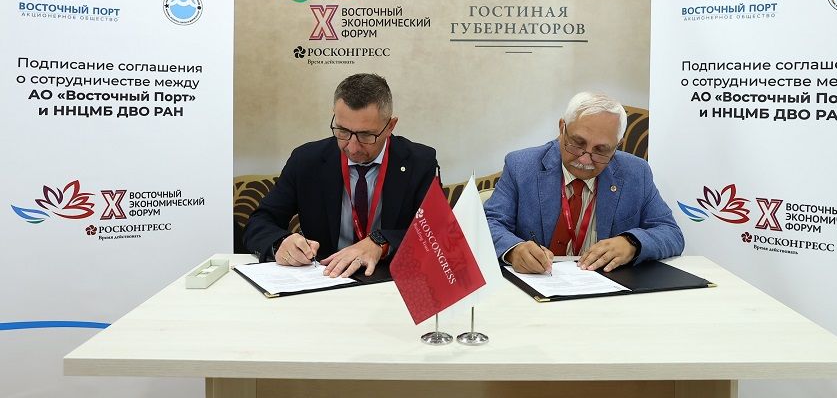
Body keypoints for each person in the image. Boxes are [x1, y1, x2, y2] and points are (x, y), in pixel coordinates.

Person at [243, 73, 439, 278]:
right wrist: (280, 243)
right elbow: (259, 222)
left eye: (366, 135)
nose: (352, 147)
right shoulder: (306, 161)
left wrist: (381, 242)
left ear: (390, 126)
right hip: (325, 278)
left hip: (390, 279)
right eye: (343, 131)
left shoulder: (419, 162)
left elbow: (436, 232)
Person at [484, 91, 684, 274]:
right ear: (562, 128)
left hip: (607, 290)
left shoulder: (636, 173)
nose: (585, 159)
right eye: (577, 143)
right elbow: (488, 223)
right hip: (538, 284)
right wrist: (514, 250)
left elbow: (671, 233)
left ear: (617, 146)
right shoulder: (521, 166)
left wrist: (632, 243)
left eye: (601, 150)